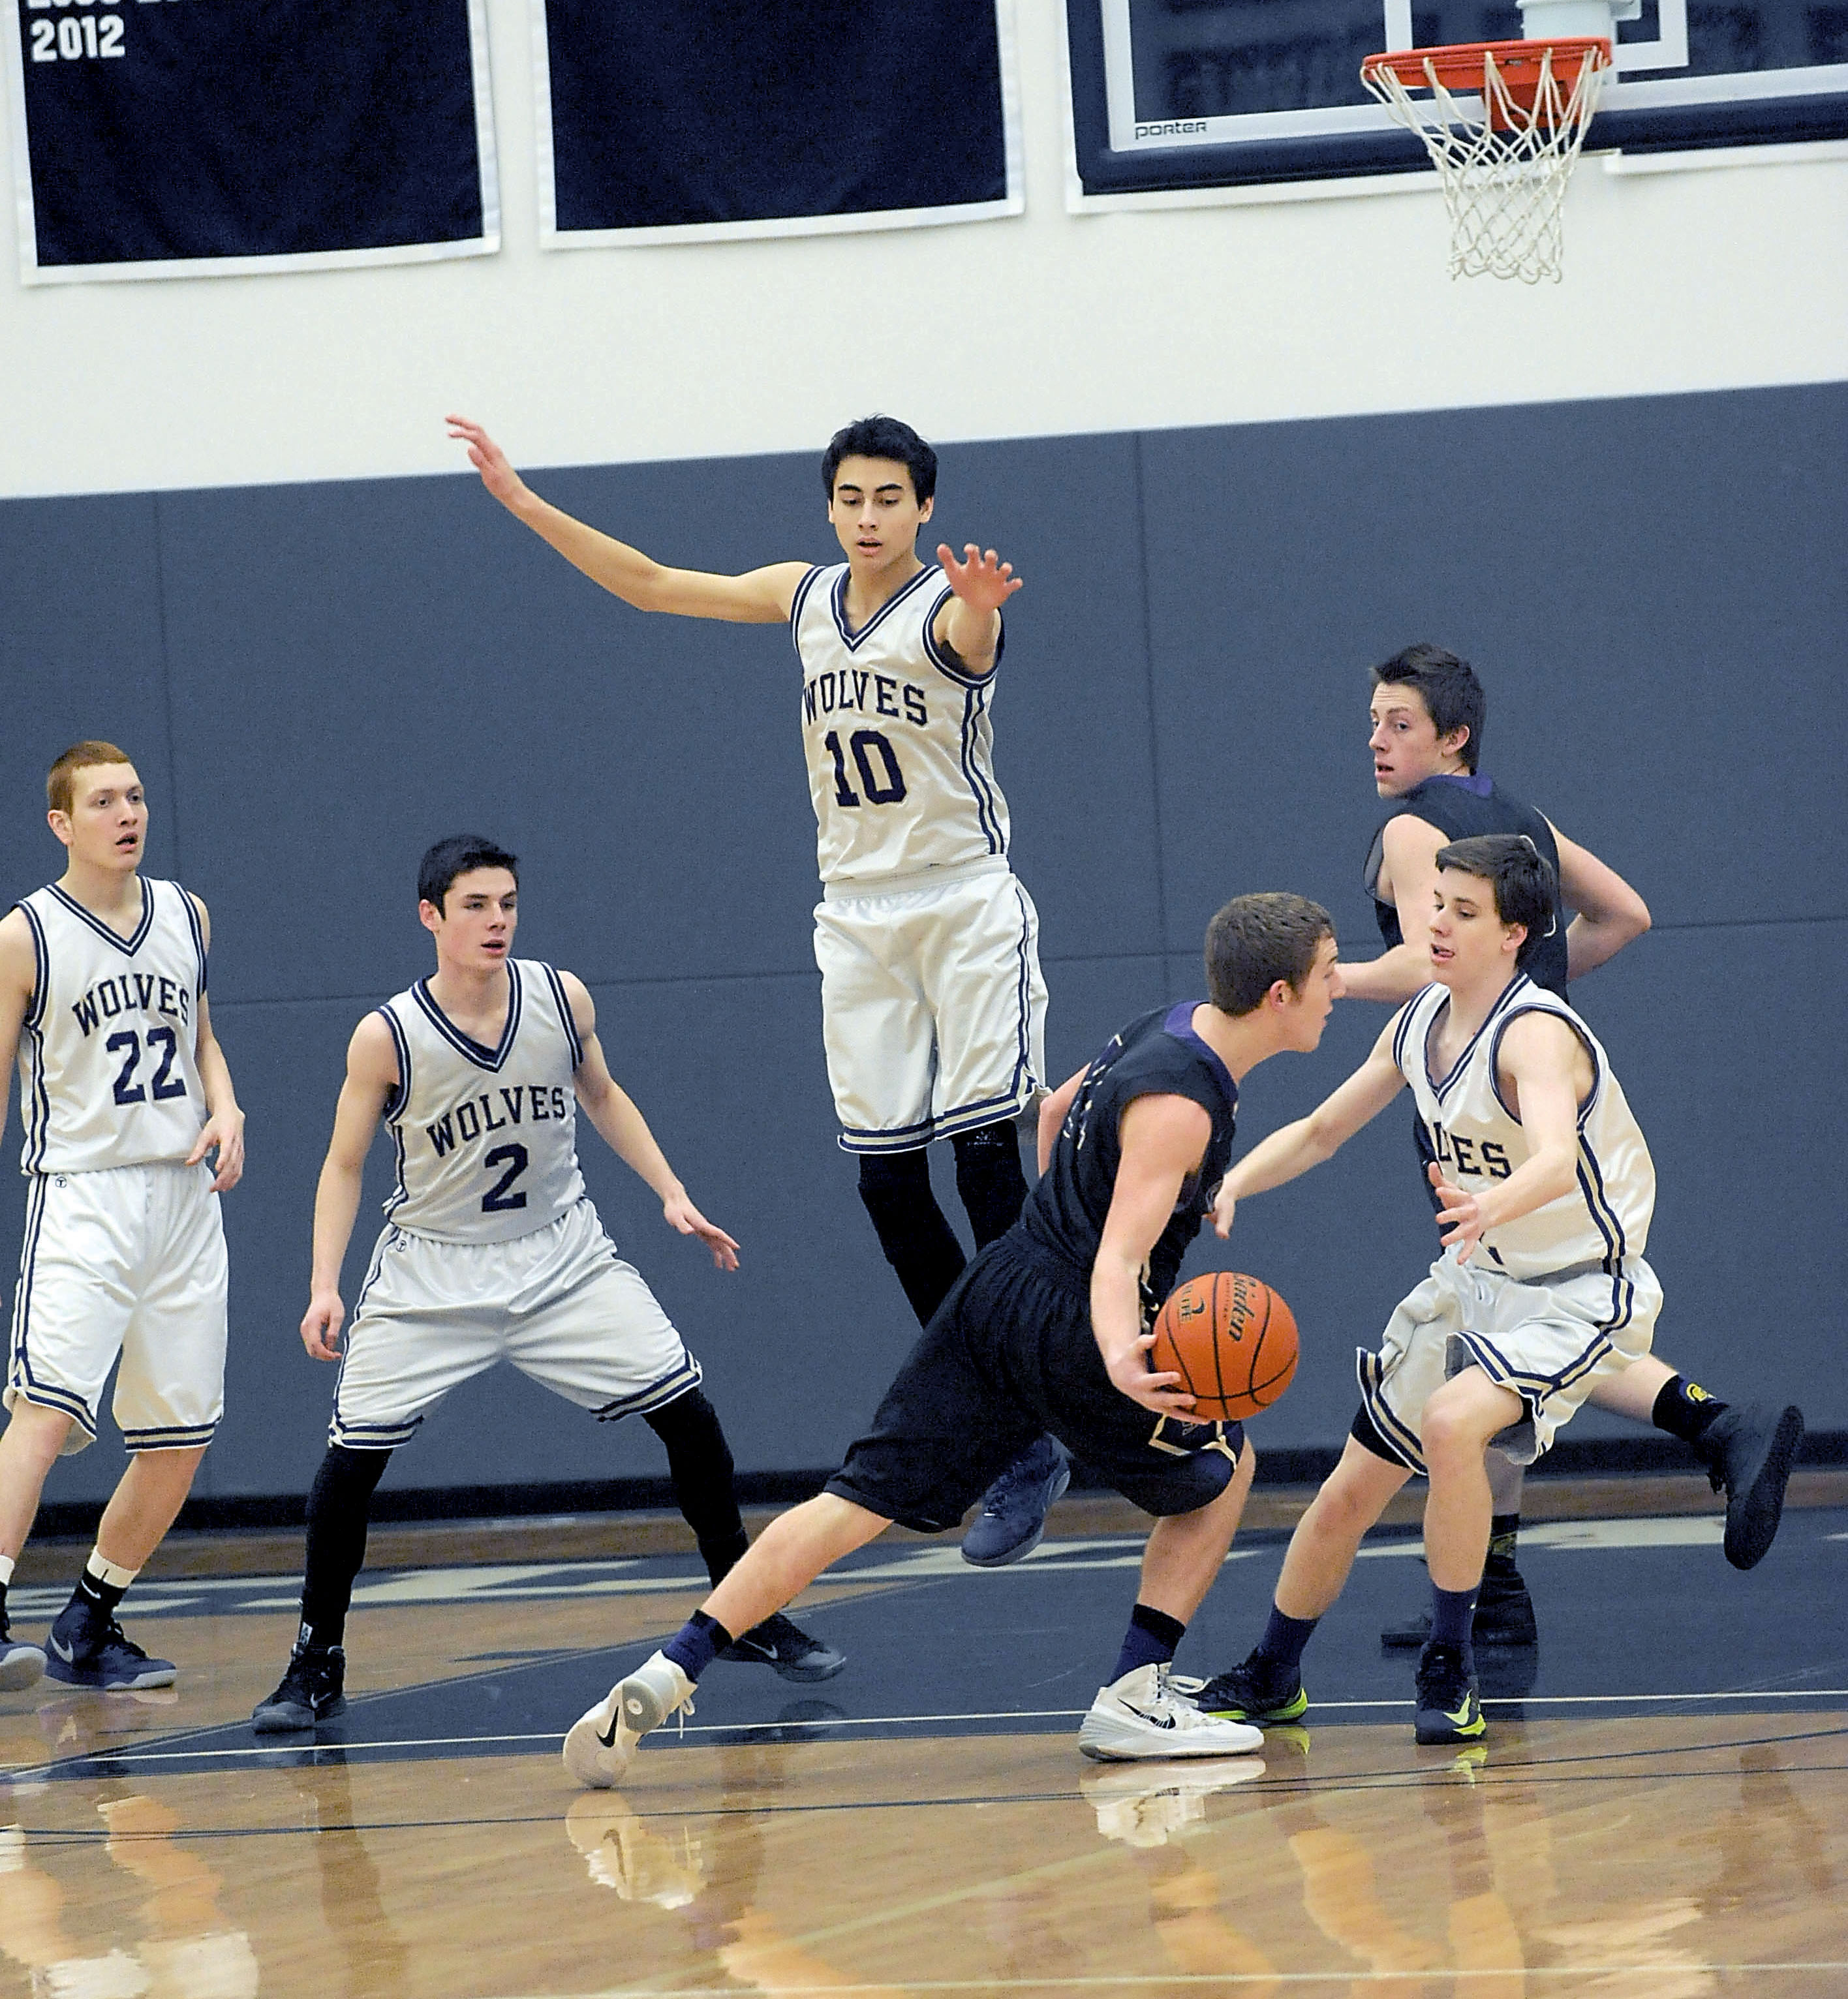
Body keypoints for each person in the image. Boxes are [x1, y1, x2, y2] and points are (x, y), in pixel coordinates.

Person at [448, 412, 1064, 1568]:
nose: (869, 515)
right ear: (829, 506)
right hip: (858, 918)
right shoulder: (802, 595)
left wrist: (980, 598)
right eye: (852, 497)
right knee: (888, 1186)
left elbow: (978, 635)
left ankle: (1035, 1410)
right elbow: (649, 583)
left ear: (924, 507)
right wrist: (525, 503)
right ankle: (1005, 1428)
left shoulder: (949, 607)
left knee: (987, 1161)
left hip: (964, 902)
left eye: (890, 497)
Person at [561, 892, 1345, 1789]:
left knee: (852, 1503)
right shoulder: (1186, 1109)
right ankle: (1134, 1692)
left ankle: (669, 1670)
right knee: (1224, 1472)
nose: (1339, 989)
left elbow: (1055, 1112)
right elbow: (1120, 1255)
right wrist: (1121, 1352)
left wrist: (1065, 1214)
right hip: (1076, 1321)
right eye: (1328, 976)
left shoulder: (1164, 1026)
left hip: (1000, 1285)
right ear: (1279, 996)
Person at [249, 836, 840, 1731]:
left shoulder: (559, 998)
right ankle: (315, 1660)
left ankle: (744, 1607)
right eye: (477, 905)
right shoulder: (388, 1035)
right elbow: (342, 1164)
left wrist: (672, 1193)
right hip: (434, 1270)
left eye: (508, 903)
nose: (497, 921)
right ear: (431, 917)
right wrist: (323, 1283)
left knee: (688, 1410)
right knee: (352, 1461)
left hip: (559, 1251)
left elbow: (602, 1095)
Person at [1343, 646, 1800, 1646]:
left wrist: (1323, 978)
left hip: (1491, 1101)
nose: (1377, 739)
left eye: (1399, 723)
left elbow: (1418, 965)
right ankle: (1500, 1584)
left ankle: (1714, 1425)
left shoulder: (1415, 828)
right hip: (1549, 1082)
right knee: (1509, 1326)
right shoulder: (1526, 823)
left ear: (1452, 735)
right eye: (1372, 720)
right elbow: (1626, 914)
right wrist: (1536, 990)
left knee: (1509, 1322)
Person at [1194, 836, 1669, 1745]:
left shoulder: (1534, 1033)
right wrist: (1234, 1180)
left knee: (1454, 1426)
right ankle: (1273, 1671)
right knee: (1347, 1490)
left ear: (1514, 933)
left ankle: (1451, 1664)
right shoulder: (1419, 1022)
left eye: (1461, 911)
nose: (1437, 923)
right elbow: (1325, 1128)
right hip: (1479, 1281)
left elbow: (1557, 1159)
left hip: (1573, 1288)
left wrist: (1490, 1204)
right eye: (1436, 903)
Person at [0, 742, 245, 1694]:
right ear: (62, 823)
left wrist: (226, 1105)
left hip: (183, 1195)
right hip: (85, 1193)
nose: (128, 813)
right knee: (48, 1410)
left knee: (181, 1435)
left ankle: (89, 1624)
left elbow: (203, 1038)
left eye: (136, 796)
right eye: (105, 801)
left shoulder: (187, 913)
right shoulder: (26, 935)